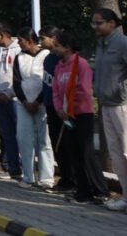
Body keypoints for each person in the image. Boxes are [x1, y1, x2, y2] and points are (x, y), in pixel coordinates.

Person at [51, 29, 110, 205]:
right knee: (73, 151)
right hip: (66, 115)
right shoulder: (58, 66)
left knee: (86, 152)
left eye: (57, 46)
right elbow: (55, 90)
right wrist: (59, 109)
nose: (54, 49)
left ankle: (100, 190)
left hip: (82, 113)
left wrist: (70, 107)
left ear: (68, 47)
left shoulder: (81, 64)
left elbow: (83, 89)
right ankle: (82, 189)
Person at [92, 7, 127, 212]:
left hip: (122, 105)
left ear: (112, 23)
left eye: (99, 23)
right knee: (116, 154)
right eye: (94, 23)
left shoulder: (122, 43)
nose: (95, 26)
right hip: (106, 104)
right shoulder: (101, 44)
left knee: (126, 151)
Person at [12, 28, 54, 189]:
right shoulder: (19, 57)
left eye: (21, 40)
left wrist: (38, 101)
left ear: (30, 40)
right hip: (23, 104)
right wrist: (24, 101)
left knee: (44, 140)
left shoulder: (46, 55)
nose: (19, 43)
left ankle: (46, 178)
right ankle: (28, 176)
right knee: (23, 138)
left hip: (42, 104)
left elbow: (48, 81)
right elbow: (16, 81)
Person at [38, 25, 74, 193]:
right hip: (50, 106)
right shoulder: (48, 58)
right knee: (56, 144)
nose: (41, 42)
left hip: (64, 108)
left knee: (67, 144)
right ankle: (66, 178)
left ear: (54, 38)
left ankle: (72, 179)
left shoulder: (65, 59)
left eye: (43, 38)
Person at [0, 22, 22, 180]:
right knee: (6, 135)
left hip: (15, 99)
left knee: (20, 134)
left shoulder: (19, 50)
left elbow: (20, 77)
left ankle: (25, 168)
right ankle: (12, 168)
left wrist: (10, 93)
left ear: (2, 35)